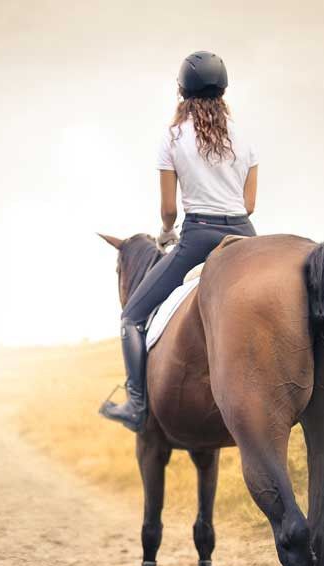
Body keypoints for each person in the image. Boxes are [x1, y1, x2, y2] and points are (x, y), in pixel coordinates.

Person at [100, 50, 259, 433]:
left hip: (198, 237)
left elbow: (169, 210)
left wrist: (167, 232)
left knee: (132, 318)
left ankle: (137, 408)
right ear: (223, 91)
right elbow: (249, 205)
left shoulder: (172, 138)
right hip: (245, 236)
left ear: (181, 92)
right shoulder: (244, 138)